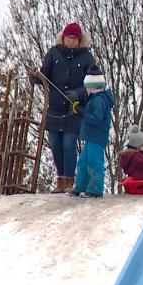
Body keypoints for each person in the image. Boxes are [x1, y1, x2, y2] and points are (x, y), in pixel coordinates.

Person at [31, 22, 96, 193]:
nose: (72, 41)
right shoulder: (54, 53)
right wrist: (36, 77)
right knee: (55, 144)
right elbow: (45, 74)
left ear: (80, 40)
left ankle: (69, 180)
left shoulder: (87, 57)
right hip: (54, 108)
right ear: (63, 38)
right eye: (69, 38)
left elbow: (95, 84)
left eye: (75, 39)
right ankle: (60, 179)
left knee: (69, 143)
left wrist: (79, 93)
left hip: (73, 109)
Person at [69, 66, 114, 198]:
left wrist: (83, 113)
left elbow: (95, 119)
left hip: (97, 138)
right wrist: (80, 112)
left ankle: (95, 188)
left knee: (94, 162)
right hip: (90, 138)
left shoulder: (99, 101)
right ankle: (80, 186)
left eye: (87, 88)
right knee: (83, 162)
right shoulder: (94, 100)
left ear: (93, 87)